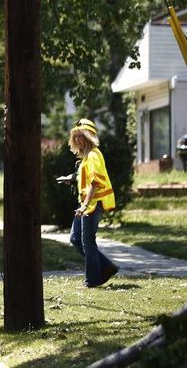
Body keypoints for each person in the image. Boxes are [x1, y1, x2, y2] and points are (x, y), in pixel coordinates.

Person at [68, 118, 119, 288]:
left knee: (88, 243)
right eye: (76, 137)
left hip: (92, 204)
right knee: (75, 238)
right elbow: (85, 179)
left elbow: (94, 183)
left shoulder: (93, 155)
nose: (78, 140)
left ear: (90, 137)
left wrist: (84, 206)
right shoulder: (86, 157)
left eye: (81, 136)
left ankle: (92, 280)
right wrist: (72, 179)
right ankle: (106, 266)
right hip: (86, 205)